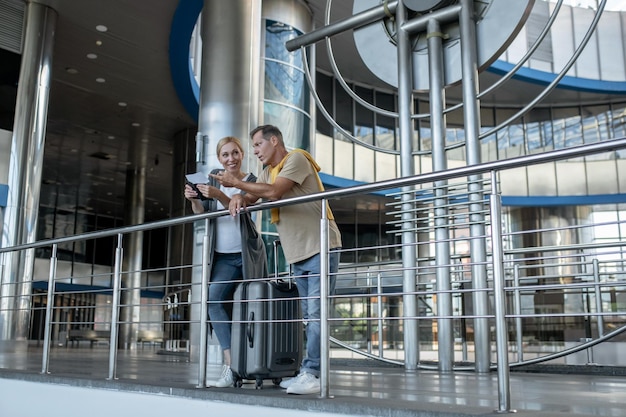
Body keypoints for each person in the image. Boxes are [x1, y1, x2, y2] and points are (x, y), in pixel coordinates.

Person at [210, 124, 342, 395]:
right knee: (307, 315)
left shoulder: (296, 159)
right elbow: (251, 197)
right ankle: (307, 371)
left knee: (316, 315)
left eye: (257, 145)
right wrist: (234, 197)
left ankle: (313, 372)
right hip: (297, 252)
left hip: (320, 245)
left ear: (273, 141)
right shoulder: (267, 172)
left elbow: (274, 193)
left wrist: (235, 183)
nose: (255, 151)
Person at [184, 136, 256, 388]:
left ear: (242, 154)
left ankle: (254, 365)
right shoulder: (214, 176)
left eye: (235, 153)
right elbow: (201, 213)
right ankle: (231, 364)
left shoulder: (250, 182)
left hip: (246, 255)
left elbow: (239, 208)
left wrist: (220, 195)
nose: (231, 159)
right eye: (225, 155)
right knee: (213, 300)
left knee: (251, 310)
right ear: (219, 159)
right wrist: (194, 198)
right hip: (223, 258)